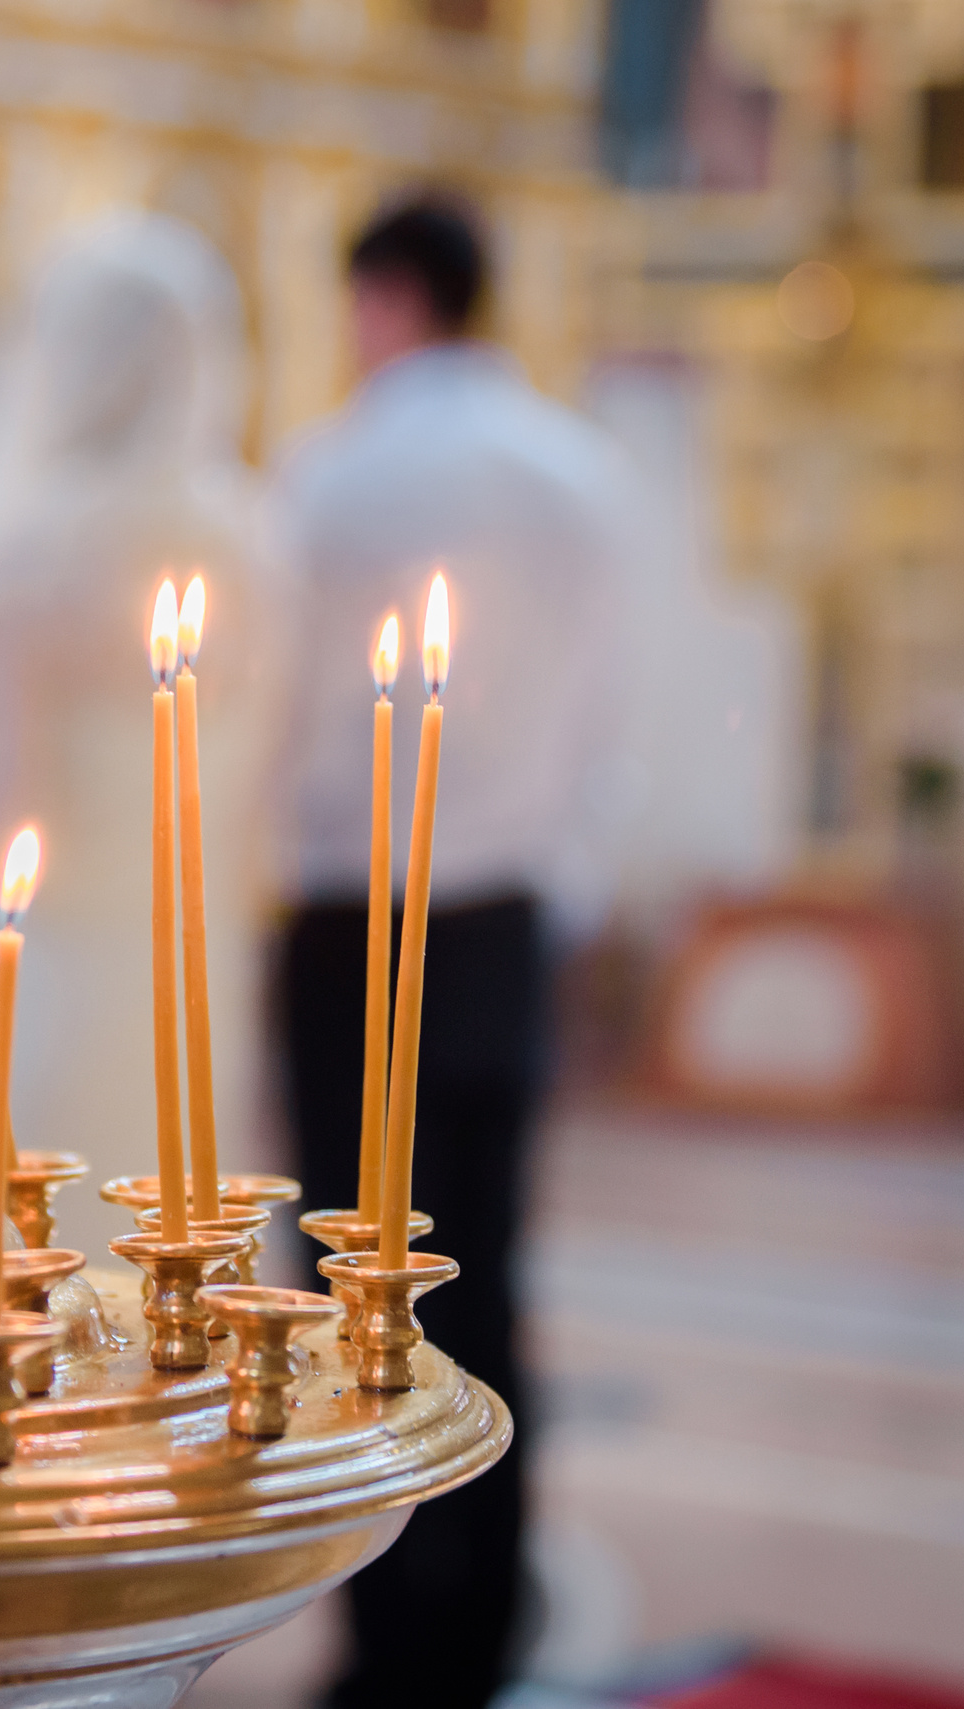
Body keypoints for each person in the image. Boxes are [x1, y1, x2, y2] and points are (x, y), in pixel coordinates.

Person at [270, 195, 632, 1709]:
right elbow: (613, 716)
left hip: (357, 920)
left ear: (385, 298)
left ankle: (379, 1640)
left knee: (358, 1288)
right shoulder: (585, 475)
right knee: (485, 1279)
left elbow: (274, 715)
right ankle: (482, 1636)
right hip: (503, 918)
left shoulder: (332, 474)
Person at [0, 213, 290, 1253]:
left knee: (41, 1273)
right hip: (190, 970)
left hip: (54, 968)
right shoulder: (243, 533)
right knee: (174, 1270)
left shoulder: (32, 549)